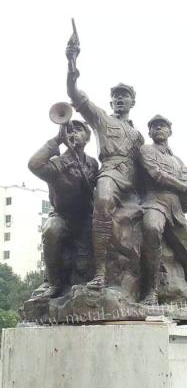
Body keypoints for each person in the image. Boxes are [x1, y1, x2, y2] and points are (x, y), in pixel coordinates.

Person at [66, 40, 144, 289]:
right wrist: (71, 64)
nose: (120, 99)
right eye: (116, 96)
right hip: (110, 171)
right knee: (102, 202)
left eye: (125, 96)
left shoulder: (139, 136)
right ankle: (99, 272)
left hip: (133, 181)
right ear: (111, 102)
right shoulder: (101, 118)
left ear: (133, 102)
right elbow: (75, 95)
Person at [28, 119, 98, 297]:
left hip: (84, 217)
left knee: (83, 268)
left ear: (87, 137)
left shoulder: (92, 163)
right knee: (51, 229)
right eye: (69, 130)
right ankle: (53, 283)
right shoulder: (58, 162)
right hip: (62, 215)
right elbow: (34, 165)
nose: (73, 133)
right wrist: (57, 140)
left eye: (78, 130)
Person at [139, 115, 187, 305]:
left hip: (176, 208)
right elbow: (156, 174)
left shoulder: (178, 161)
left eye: (162, 126)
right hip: (154, 201)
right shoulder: (146, 150)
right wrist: (183, 186)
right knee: (152, 229)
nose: (158, 129)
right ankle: (151, 291)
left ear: (169, 132)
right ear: (149, 132)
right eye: (154, 126)